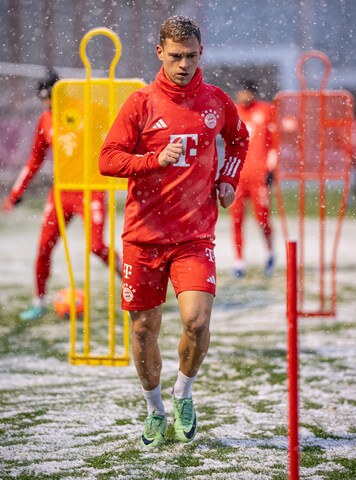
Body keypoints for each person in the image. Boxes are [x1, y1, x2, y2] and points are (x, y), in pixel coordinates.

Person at [99, 15, 249, 447]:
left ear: (201, 54)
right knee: (145, 329)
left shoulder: (216, 101)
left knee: (197, 322)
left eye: (192, 56)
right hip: (144, 237)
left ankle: (183, 393)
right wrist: (154, 161)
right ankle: (154, 409)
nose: (184, 64)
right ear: (160, 52)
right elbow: (108, 159)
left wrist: (228, 180)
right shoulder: (140, 104)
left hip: (194, 236)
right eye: (176, 56)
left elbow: (240, 140)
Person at [2, 69, 122, 321]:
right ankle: (39, 301)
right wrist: (16, 194)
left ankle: (130, 284)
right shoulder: (45, 120)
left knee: (97, 247)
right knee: (44, 246)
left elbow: (115, 122)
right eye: (44, 100)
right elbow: (34, 160)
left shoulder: (86, 109)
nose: (48, 105)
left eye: (51, 98)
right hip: (61, 193)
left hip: (91, 190)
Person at [230, 80, 277, 277]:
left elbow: (275, 143)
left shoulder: (266, 110)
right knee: (237, 219)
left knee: (262, 218)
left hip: (259, 176)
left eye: (245, 92)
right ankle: (239, 261)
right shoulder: (233, 111)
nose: (242, 96)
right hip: (238, 177)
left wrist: (271, 169)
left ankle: (270, 253)